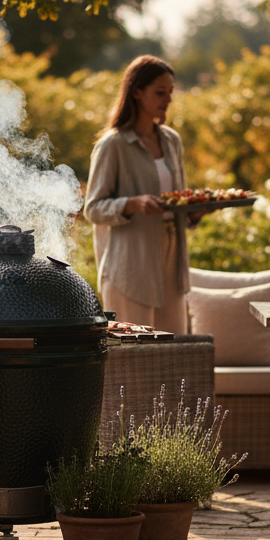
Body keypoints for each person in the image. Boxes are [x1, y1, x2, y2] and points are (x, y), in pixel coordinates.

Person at [83, 55, 192, 334]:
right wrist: (133, 203)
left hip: (172, 260)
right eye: (159, 92)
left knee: (173, 352)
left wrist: (195, 212)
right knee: (134, 358)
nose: (167, 99)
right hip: (130, 266)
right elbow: (93, 208)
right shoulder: (113, 145)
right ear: (136, 92)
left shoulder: (171, 141)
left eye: (170, 93)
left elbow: (177, 201)